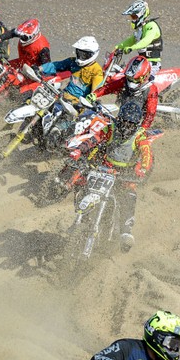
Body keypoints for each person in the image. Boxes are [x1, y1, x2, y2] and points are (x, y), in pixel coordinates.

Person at [76, 102, 154, 252]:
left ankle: (125, 232)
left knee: (129, 197)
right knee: (84, 186)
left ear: (136, 124)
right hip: (106, 169)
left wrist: (143, 169)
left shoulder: (140, 136)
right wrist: (80, 149)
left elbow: (147, 155)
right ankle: (80, 221)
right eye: (123, 122)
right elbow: (94, 139)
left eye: (130, 124)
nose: (126, 127)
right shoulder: (110, 129)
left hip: (126, 175)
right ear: (119, 119)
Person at [88, 55, 159, 129]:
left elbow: (151, 113)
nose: (131, 81)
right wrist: (95, 94)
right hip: (121, 116)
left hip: (137, 122)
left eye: (135, 79)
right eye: (129, 78)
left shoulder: (151, 89)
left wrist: (143, 128)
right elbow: (109, 87)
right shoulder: (124, 80)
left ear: (145, 76)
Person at [39, 36, 104, 103]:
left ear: (92, 54)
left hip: (78, 103)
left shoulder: (96, 71)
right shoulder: (72, 61)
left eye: (84, 55)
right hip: (62, 95)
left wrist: (95, 99)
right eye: (79, 53)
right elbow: (56, 65)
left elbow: (97, 92)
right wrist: (40, 68)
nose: (81, 57)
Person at [115, 0, 163, 75]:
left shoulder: (151, 26)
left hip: (152, 63)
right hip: (141, 61)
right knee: (125, 74)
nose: (132, 19)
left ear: (141, 15)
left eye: (134, 16)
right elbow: (131, 40)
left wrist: (132, 48)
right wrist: (118, 47)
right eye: (132, 17)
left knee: (137, 81)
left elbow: (146, 40)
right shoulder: (140, 28)